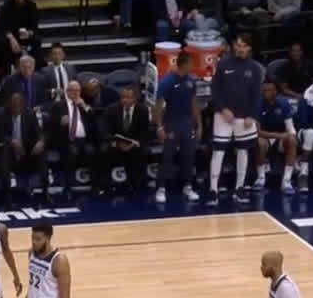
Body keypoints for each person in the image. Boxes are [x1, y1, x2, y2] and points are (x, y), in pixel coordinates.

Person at [209, 32, 263, 204]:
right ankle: (213, 190)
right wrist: (223, 109)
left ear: (249, 48)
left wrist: (252, 116)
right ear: (233, 46)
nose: (240, 49)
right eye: (238, 45)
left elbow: (256, 95)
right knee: (218, 151)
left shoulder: (255, 68)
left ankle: (239, 189)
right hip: (223, 116)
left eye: (244, 46)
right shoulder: (223, 64)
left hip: (244, 117)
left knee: (243, 151)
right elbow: (214, 90)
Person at [153, 52, 200, 204]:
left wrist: (198, 125)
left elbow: (194, 103)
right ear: (184, 64)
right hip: (171, 122)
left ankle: (187, 186)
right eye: (191, 63)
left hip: (187, 123)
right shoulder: (167, 82)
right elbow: (158, 105)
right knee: (167, 157)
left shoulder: (191, 81)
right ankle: (161, 188)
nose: (193, 66)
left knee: (188, 156)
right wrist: (159, 127)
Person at [48, 80, 97, 199]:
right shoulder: (58, 105)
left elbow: (93, 121)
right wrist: (60, 122)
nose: (76, 93)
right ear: (67, 91)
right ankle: (68, 187)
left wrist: (84, 106)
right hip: (68, 140)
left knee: (92, 151)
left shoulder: (84, 104)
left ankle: (95, 186)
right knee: (72, 152)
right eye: (73, 90)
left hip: (84, 140)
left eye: (78, 91)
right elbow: (50, 124)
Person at [0, 92, 47, 203]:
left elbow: (39, 132)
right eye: (13, 107)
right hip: (10, 151)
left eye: (18, 107)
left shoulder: (30, 113)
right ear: (9, 105)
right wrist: (12, 141)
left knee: (41, 152)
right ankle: (7, 194)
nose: (15, 110)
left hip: (27, 149)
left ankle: (45, 192)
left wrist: (40, 142)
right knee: (3, 153)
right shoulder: (1, 113)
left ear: (23, 106)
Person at [102, 85, 149, 195]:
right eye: (123, 97)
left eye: (128, 97)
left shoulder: (142, 110)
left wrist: (134, 143)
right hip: (116, 142)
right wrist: (118, 143)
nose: (125, 100)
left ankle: (136, 185)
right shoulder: (111, 109)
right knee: (104, 151)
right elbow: (106, 131)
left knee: (142, 151)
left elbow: (144, 132)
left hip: (133, 143)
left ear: (135, 99)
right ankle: (105, 186)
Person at [255, 80, 298, 194]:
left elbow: (290, 128)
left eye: (268, 90)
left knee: (292, 141)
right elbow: (257, 131)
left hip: (281, 139)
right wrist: (276, 135)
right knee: (260, 143)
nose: (265, 93)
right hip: (265, 136)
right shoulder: (258, 103)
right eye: (263, 90)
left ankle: (286, 180)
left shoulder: (283, 103)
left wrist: (289, 135)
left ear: (275, 92)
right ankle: (260, 178)